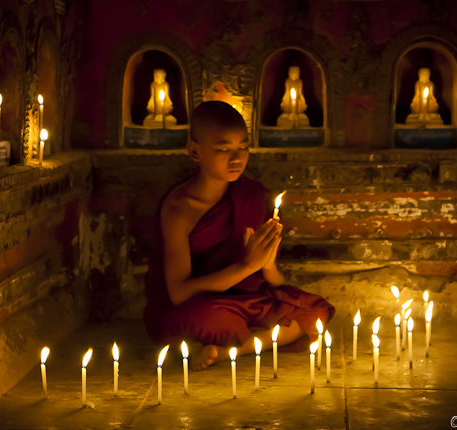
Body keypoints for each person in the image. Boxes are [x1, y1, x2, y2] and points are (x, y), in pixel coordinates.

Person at [143, 101, 334, 370]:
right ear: (195, 151)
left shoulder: (252, 195)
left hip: (244, 299)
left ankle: (221, 351)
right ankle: (234, 341)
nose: (237, 158)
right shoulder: (179, 208)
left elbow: (273, 281)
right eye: (224, 149)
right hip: (198, 306)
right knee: (213, 320)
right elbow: (180, 294)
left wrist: (266, 265)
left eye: (243, 147)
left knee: (315, 313)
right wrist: (247, 266)